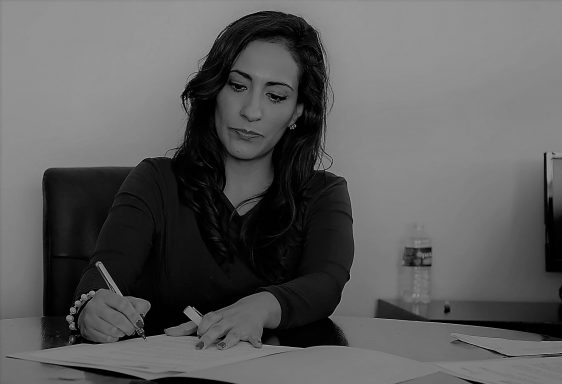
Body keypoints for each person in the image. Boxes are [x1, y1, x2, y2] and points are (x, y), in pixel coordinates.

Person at [70, 10, 354, 350]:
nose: (251, 111)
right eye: (237, 85)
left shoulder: (325, 193)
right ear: (215, 89)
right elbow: (101, 277)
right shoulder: (155, 180)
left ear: (297, 111)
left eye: (275, 95)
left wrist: (258, 307)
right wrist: (91, 309)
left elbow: (326, 282)